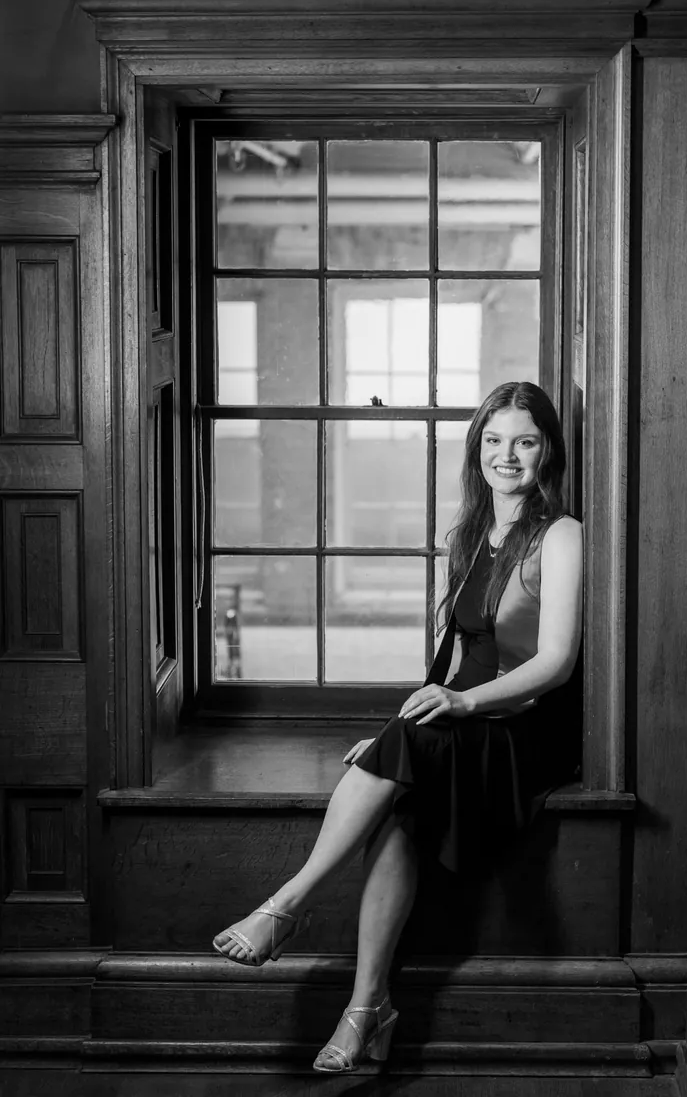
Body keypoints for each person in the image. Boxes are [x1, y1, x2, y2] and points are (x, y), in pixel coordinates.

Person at [212, 380, 584, 1074]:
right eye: (494, 440)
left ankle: (287, 906)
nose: (507, 456)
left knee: (400, 775)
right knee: (398, 808)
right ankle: (367, 1010)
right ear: (477, 450)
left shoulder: (562, 536)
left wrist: (461, 708)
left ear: (549, 452)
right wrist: (400, 733)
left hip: (525, 732)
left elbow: (558, 663)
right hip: (462, 725)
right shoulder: (475, 533)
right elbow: (451, 664)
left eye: (525, 442)